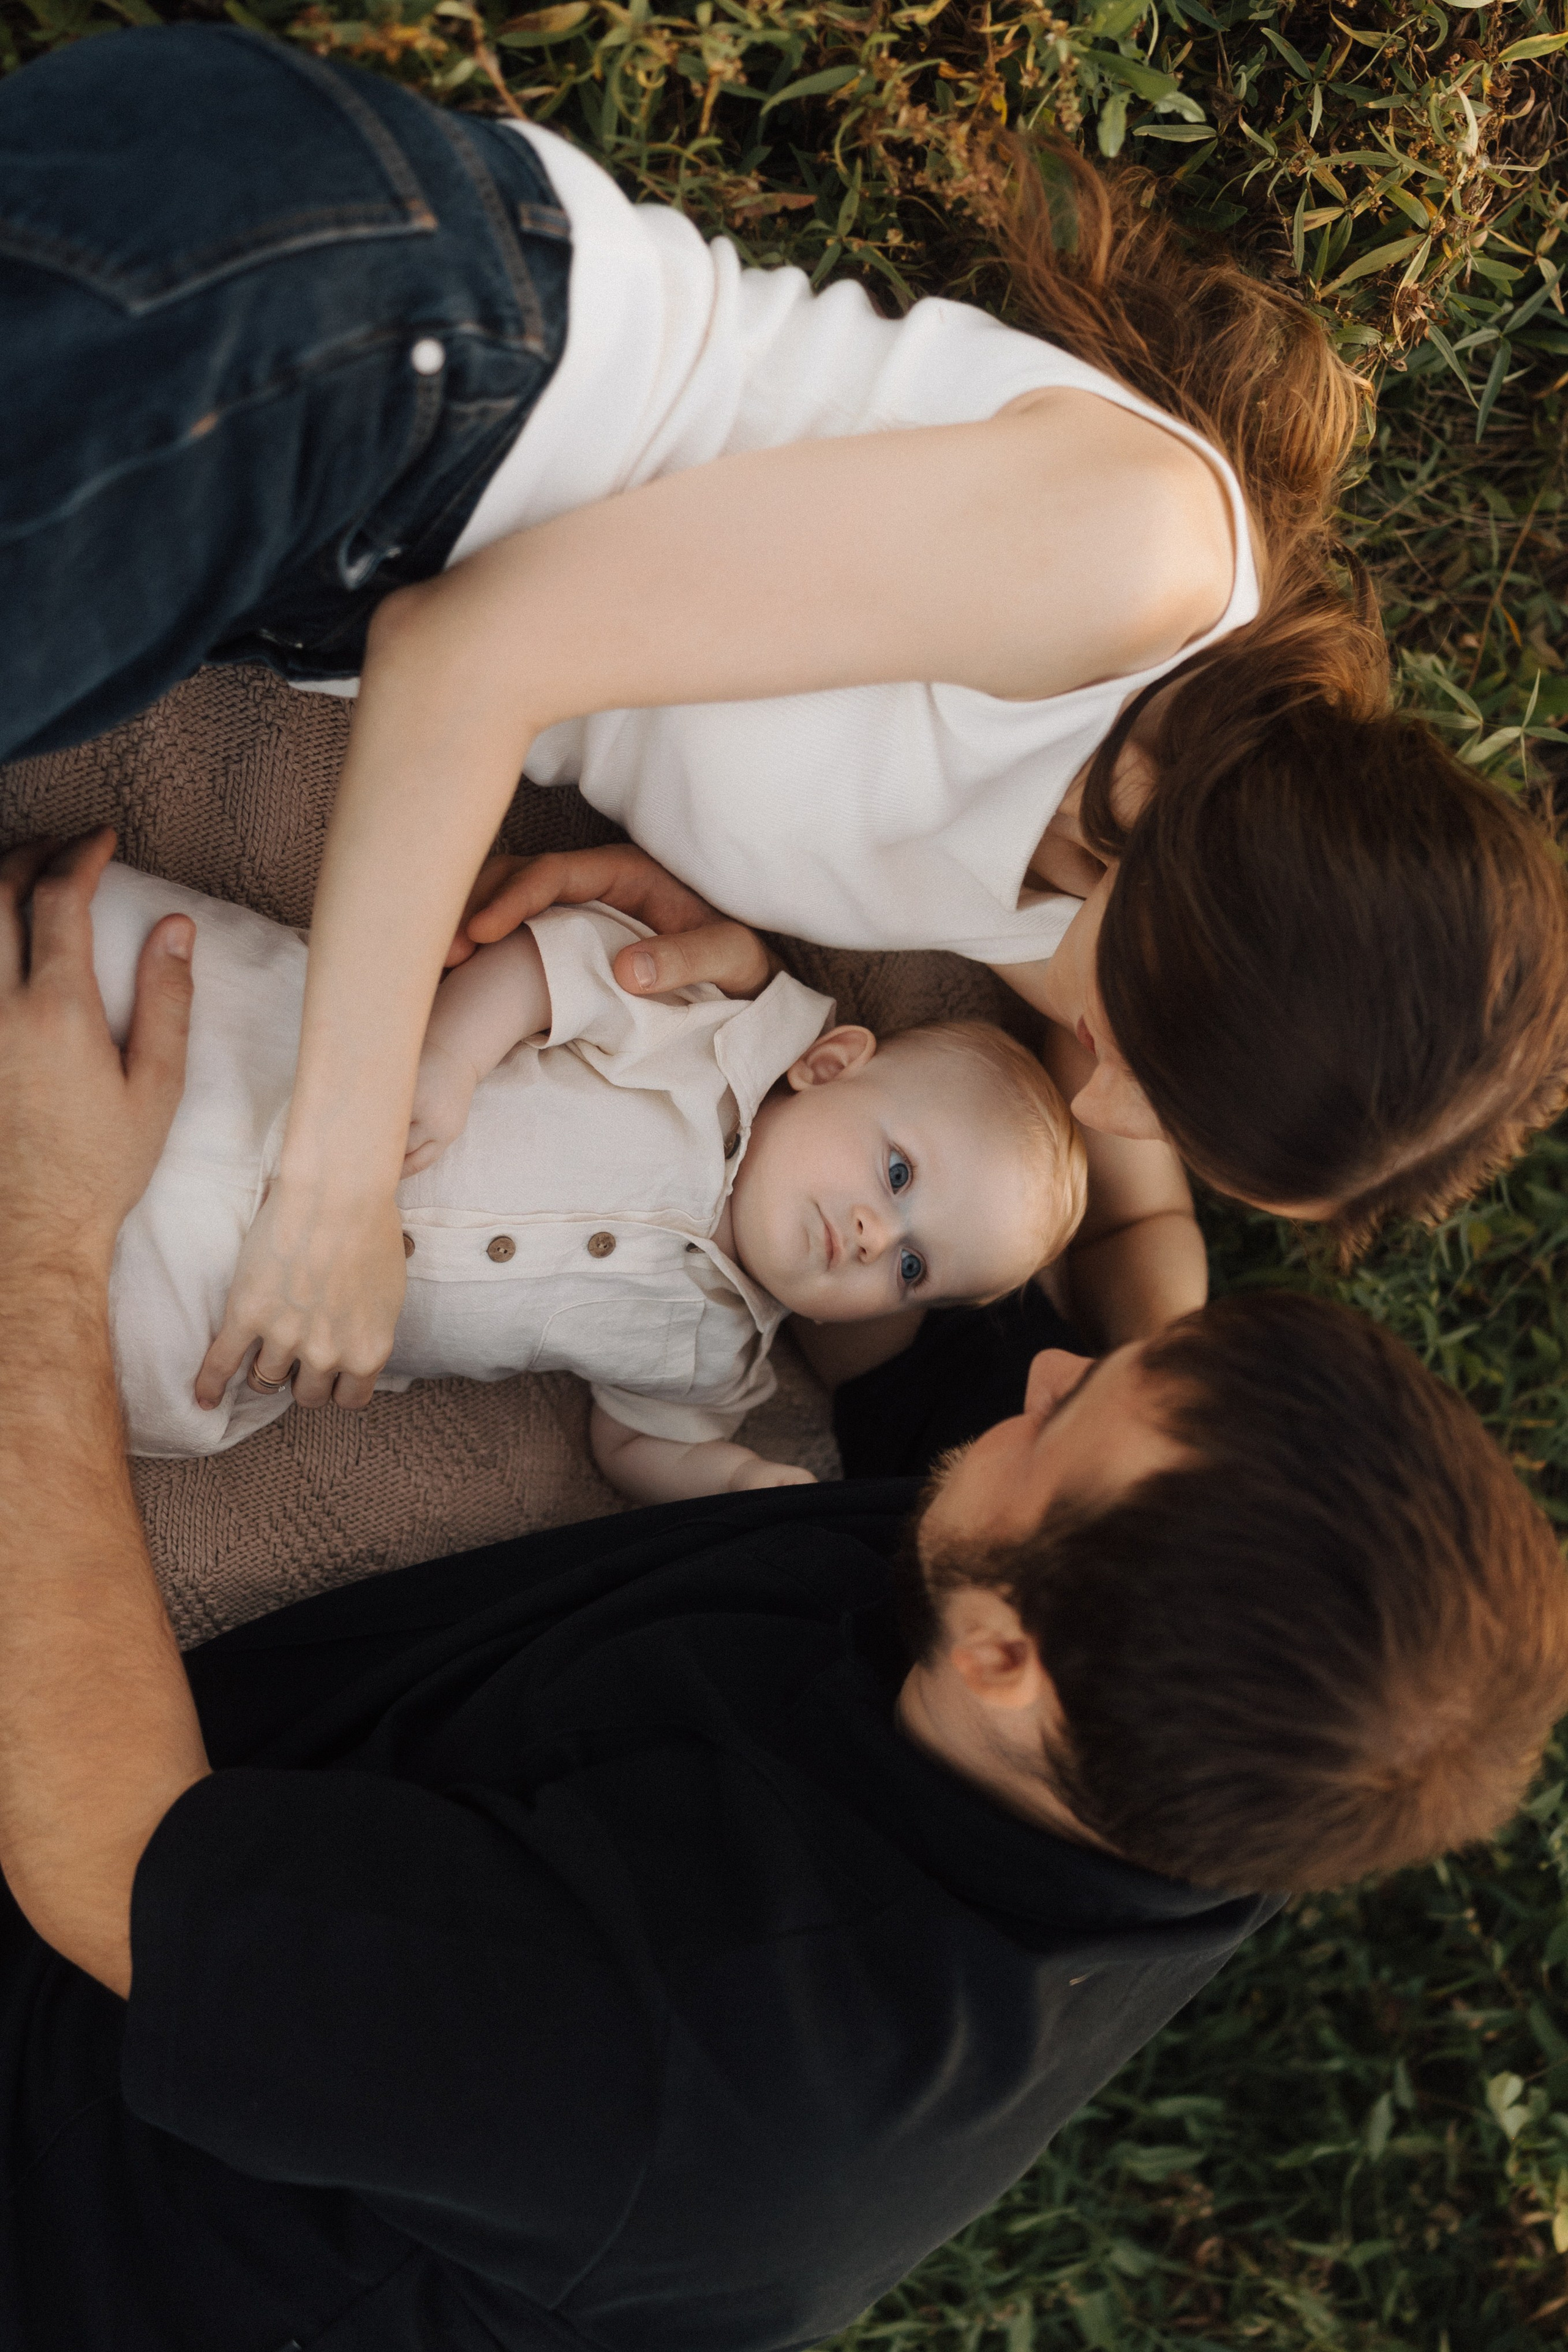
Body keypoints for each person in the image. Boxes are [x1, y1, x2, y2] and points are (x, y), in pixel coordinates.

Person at [4, 836, 1567, 2352]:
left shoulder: (704, 2060)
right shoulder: (1214, 1706)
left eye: (1058, 1420)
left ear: (1001, 1656)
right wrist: (730, 1013)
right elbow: (924, 1284)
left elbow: (107, 1851)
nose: (1031, 1367)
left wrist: (50, 1241)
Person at [8, 25, 1568, 1414]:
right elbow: (467, 653)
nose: (1099, 1100)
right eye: (1161, 1077)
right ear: (1213, 932)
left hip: (295, 581)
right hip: (373, 351)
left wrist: (1155, 1383)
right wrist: (335, 1187)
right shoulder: (1135, 564)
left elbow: (1127, 1195)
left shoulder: (1075, 893)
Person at [86, 849, 1085, 1487]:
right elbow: (551, 963)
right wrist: (451, 1057)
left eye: (911, 1270)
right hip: (282, 1069)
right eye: (899, 1176)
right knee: (134, 979)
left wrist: (730, 1483)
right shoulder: (711, 1045)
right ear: (829, 1067)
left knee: (128, 1370)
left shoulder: (723, 1360)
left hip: (248, 1305)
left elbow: (630, 1444)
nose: (876, 1236)